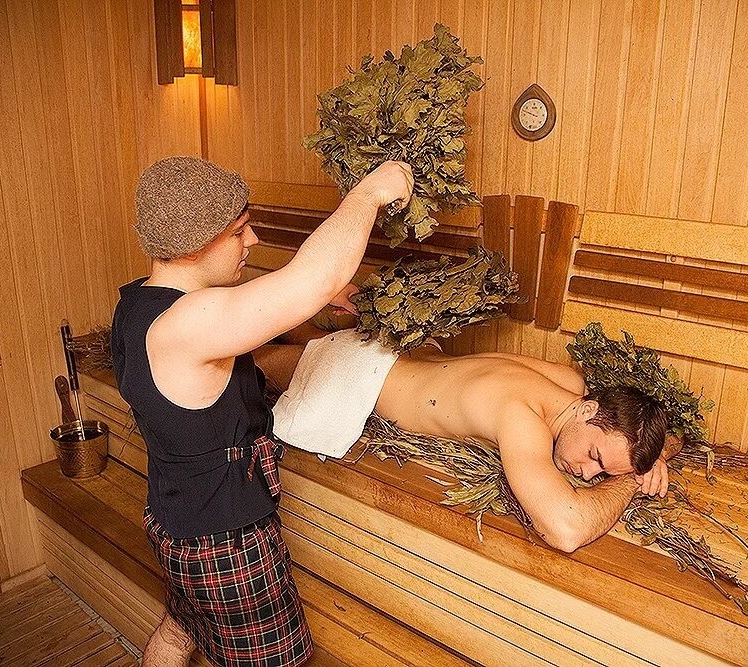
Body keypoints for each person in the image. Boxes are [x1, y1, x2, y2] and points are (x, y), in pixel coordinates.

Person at [110, 156, 413, 667]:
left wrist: (312, 309)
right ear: (195, 243)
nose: (251, 240)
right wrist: (368, 193)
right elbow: (310, 280)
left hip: (176, 522)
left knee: (179, 631)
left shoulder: (139, 304)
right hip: (225, 545)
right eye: (238, 231)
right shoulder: (187, 324)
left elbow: (231, 340)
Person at [255, 333, 673, 554]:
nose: (587, 472)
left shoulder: (571, 383)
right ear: (588, 410)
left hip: (384, 351)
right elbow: (566, 530)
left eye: (602, 472)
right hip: (352, 375)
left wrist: (648, 457)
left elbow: (658, 435)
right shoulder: (521, 419)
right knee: (246, 366)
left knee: (287, 345)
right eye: (594, 456)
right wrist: (629, 483)